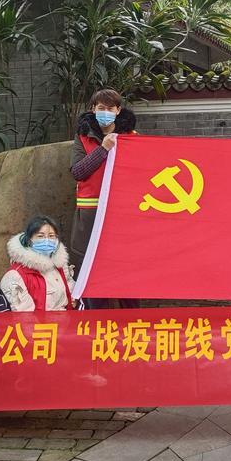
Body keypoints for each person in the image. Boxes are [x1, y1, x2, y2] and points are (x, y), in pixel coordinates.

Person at [69, 88, 138, 309]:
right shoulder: (83, 136)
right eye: (101, 108)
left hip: (121, 216)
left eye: (110, 108)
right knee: (92, 269)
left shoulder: (132, 137)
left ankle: (131, 321)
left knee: (125, 269)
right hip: (90, 215)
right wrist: (103, 149)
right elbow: (78, 172)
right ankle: (95, 321)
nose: (105, 112)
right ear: (93, 109)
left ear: (118, 110)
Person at [0, 215, 76, 311]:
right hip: (39, 321)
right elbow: (24, 315)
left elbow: (70, 291)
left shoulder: (60, 266)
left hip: (66, 319)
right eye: (40, 236)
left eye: (51, 236)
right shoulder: (15, 275)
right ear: (29, 240)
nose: (47, 240)